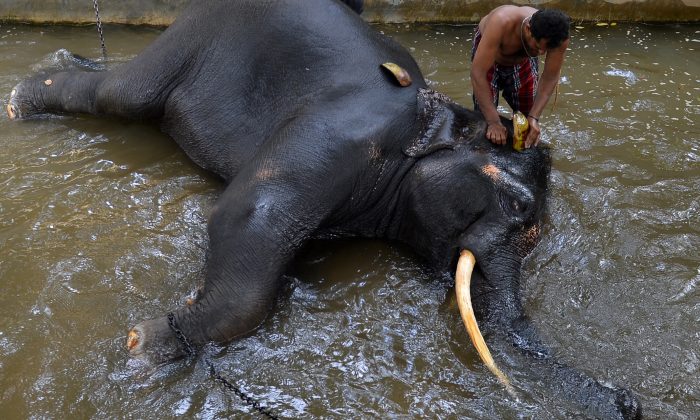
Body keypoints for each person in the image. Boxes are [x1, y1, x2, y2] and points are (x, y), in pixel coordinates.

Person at [470, 6, 570, 148]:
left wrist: (534, 117)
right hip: (489, 61)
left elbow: (549, 77)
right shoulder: (501, 22)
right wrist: (494, 122)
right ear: (528, 29)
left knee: (526, 122)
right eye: (538, 47)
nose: (541, 53)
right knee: (484, 119)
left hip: (523, 60)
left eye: (546, 50)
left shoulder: (560, 38)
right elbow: (477, 74)